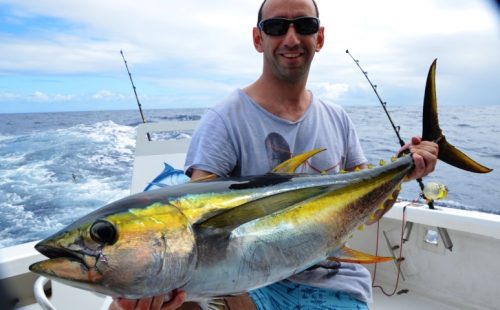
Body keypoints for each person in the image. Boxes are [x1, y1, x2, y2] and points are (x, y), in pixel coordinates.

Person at [110, 0, 438, 309]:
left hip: (334, 281)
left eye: (305, 25)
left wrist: (405, 171)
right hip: (249, 282)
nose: (291, 38)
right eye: (277, 26)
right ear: (258, 38)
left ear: (319, 37)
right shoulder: (225, 119)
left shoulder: (337, 118)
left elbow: (370, 213)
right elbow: (199, 225)